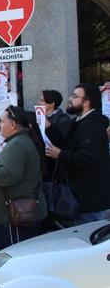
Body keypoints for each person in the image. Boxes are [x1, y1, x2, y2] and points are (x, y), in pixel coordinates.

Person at [0, 106, 48, 251]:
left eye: (1, 122)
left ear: (13, 125)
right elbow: (12, 170)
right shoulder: (20, 142)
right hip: (14, 215)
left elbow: (6, 177)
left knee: (13, 256)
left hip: (13, 217)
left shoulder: (17, 144)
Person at [45, 84, 110, 225]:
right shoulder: (79, 122)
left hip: (89, 202)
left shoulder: (92, 125)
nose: (70, 99)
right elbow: (68, 146)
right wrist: (49, 127)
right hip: (80, 199)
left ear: (86, 102)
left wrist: (60, 154)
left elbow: (87, 158)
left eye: (75, 96)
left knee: (89, 242)